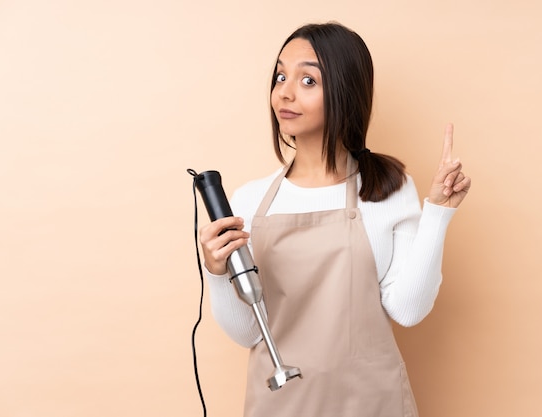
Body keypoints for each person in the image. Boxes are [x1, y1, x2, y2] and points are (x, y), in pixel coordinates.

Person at [199, 22, 471, 417]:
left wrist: (438, 214)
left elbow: (408, 310)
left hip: (370, 403)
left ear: (345, 91)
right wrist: (216, 270)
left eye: (308, 79)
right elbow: (247, 333)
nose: (285, 93)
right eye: (280, 76)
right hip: (281, 404)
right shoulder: (250, 200)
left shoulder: (389, 190)